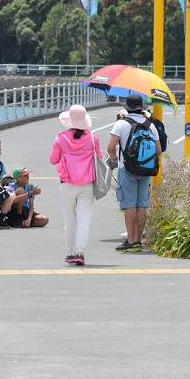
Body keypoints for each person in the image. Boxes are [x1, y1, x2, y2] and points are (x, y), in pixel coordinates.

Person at [108, 94, 162, 253]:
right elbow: (158, 150)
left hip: (128, 169)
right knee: (142, 205)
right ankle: (138, 239)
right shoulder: (149, 125)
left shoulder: (121, 124)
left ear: (126, 107)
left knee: (129, 204)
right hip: (146, 170)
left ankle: (131, 241)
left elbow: (111, 147)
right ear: (141, 107)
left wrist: (113, 159)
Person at [50, 104, 102, 265]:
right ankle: (81, 252)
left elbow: (53, 160)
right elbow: (99, 157)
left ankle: (70, 252)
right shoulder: (93, 138)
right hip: (87, 183)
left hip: (67, 183)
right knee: (84, 220)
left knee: (70, 220)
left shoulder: (61, 138)